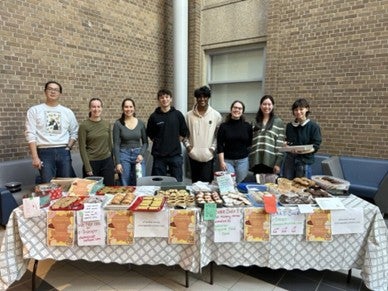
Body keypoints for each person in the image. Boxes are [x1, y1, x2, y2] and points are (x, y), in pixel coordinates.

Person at [25, 81, 78, 183]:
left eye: (56, 90)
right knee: (48, 185)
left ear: (60, 93)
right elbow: (30, 134)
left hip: (63, 151)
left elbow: (74, 131)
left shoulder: (67, 112)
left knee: (66, 183)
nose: (53, 92)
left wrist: (68, 147)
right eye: (50, 89)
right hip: (44, 152)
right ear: (45, 91)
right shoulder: (34, 110)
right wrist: (35, 157)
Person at [146, 89, 189, 182]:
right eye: (161, 97)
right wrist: (160, 143)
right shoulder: (154, 117)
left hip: (175, 155)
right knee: (158, 183)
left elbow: (184, 131)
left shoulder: (177, 114)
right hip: (159, 156)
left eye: (166, 97)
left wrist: (174, 141)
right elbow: (150, 133)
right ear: (158, 100)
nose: (164, 99)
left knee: (177, 182)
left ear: (171, 99)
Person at [185, 86, 222, 183]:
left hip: (208, 155)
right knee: (194, 184)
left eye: (205, 96)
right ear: (196, 98)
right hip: (193, 154)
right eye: (199, 97)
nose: (202, 99)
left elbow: (218, 135)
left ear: (208, 97)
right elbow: (183, 133)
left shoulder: (216, 115)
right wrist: (188, 147)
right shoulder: (188, 115)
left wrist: (212, 149)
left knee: (207, 185)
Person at [78, 98, 115, 186]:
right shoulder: (84, 126)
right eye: (93, 107)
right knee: (92, 191)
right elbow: (82, 148)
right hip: (92, 162)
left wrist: (113, 162)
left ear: (101, 108)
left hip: (107, 161)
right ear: (90, 108)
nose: (96, 109)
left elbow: (110, 144)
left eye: (98, 106)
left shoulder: (106, 124)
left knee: (109, 189)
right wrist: (87, 167)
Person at [283, 98, 322, 179]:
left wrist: (303, 151)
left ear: (307, 109)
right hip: (290, 160)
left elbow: (316, 146)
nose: (298, 112)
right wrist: (286, 145)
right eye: (296, 110)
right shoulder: (289, 126)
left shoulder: (313, 126)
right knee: (286, 184)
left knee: (302, 187)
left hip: (304, 161)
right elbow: (288, 141)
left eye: (301, 109)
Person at [113, 98, 148, 186]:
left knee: (140, 182)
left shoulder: (140, 123)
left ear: (134, 108)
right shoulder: (118, 124)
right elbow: (116, 145)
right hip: (124, 155)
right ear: (122, 108)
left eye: (130, 107)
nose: (128, 109)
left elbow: (145, 142)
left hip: (138, 155)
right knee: (125, 183)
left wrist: (141, 154)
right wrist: (118, 163)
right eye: (126, 107)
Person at [217, 100, 253, 183]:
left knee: (240, 184)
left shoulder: (247, 126)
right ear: (231, 110)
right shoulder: (223, 126)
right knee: (228, 185)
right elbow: (220, 145)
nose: (237, 110)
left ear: (242, 111)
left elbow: (249, 143)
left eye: (240, 108)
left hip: (243, 161)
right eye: (235, 107)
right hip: (227, 161)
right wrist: (222, 162)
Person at [249, 95, 285, 175]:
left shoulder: (278, 122)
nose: (266, 106)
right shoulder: (254, 121)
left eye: (269, 104)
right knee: (257, 186)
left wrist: (278, 163)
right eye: (264, 104)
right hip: (256, 160)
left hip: (270, 161)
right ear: (260, 105)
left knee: (269, 186)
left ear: (273, 106)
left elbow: (280, 145)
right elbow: (250, 142)